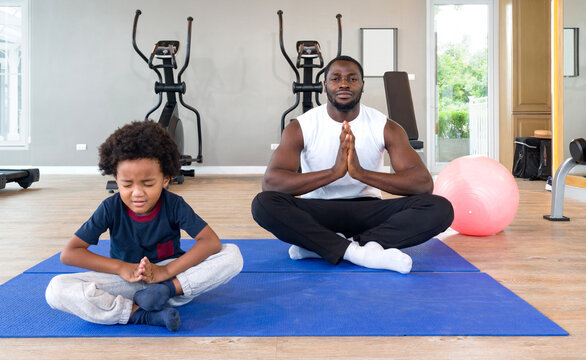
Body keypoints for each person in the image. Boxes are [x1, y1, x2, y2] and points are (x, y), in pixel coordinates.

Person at [251, 55, 453, 274]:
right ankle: (362, 251)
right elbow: (272, 183)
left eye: (352, 78)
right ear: (325, 85)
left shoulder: (386, 126)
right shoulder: (301, 127)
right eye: (336, 78)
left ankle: (324, 246)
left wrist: (360, 173)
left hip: (369, 212)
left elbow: (422, 183)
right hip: (318, 212)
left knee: (440, 208)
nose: (344, 84)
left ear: (362, 86)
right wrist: (334, 172)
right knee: (263, 204)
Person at [45, 120, 243, 332]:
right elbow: (70, 253)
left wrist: (165, 273)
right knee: (56, 289)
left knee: (232, 255)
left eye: (148, 184)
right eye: (127, 185)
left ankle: (163, 293)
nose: (137, 193)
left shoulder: (175, 204)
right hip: (127, 284)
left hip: (174, 283)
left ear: (166, 179)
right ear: (116, 179)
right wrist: (122, 268)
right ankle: (141, 315)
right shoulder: (110, 207)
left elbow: (210, 242)